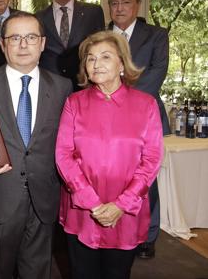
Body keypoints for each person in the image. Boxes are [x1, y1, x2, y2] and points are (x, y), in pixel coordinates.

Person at [0, 11, 73, 279]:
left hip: (43, 200)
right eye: (15, 38)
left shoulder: (62, 87)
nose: (23, 45)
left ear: (43, 43)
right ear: (3, 45)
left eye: (30, 37)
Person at [55, 31, 163, 278]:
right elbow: (63, 155)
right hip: (82, 210)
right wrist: (92, 202)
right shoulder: (74, 102)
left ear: (122, 64)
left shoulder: (146, 104)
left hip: (125, 213)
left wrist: (121, 205)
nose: (96, 64)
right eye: (90, 58)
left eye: (105, 57)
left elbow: (152, 159)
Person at [107, 0, 170, 260]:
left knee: (145, 178)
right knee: (110, 175)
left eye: (126, 2)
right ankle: (113, 226)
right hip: (104, 120)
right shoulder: (99, 35)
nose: (120, 8)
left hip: (143, 119)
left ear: (137, 5)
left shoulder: (156, 35)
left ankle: (148, 235)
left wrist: (120, 100)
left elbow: (157, 73)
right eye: (115, 3)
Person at [36, 0, 105, 90]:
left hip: (85, 86)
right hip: (50, 88)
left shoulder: (93, 13)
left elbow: (101, 49)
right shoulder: (38, 18)